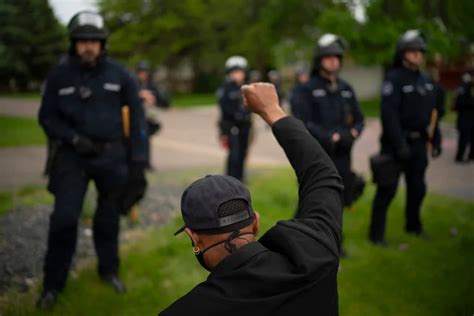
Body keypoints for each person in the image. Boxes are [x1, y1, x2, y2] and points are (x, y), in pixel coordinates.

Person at [160, 83, 343, 315]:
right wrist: (272, 110)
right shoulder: (316, 253)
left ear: (193, 237)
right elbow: (323, 176)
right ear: (255, 222)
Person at [36, 11, 148, 308]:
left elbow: (138, 121)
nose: (88, 46)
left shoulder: (120, 75)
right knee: (64, 219)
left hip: (112, 157)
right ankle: (52, 286)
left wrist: (138, 165)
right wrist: (73, 139)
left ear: (102, 44)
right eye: (82, 40)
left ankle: (109, 271)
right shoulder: (59, 76)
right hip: (72, 158)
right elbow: (46, 117)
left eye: (94, 41)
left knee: (108, 219)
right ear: (73, 43)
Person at [368, 30, 442, 246]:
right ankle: (376, 236)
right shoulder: (393, 79)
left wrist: (435, 138)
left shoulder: (426, 80)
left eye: (420, 51)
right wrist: (399, 144)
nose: (417, 55)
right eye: (412, 51)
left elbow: (433, 114)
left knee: (418, 188)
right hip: (396, 145)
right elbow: (389, 116)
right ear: (402, 54)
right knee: (387, 190)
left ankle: (413, 226)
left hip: (420, 144)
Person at [296, 34, 365, 209]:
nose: (334, 61)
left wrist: (353, 133)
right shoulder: (307, 89)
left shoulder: (346, 88)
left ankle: (334, 235)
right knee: (314, 199)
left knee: (339, 199)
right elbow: (303, 123)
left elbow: (359, 119)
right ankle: (301, 233)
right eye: (328, 57)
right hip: (318, 154)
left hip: (343, 152)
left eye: (337, 57)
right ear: (319, 60)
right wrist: (329, 137)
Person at [217, 56, 252, 181]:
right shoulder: (225, 89)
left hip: (245, 125)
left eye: (240, 72)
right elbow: (224, 107)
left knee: (243, 151)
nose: (237, 75)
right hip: (231, 125)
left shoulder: (247, 88)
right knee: (234, 153)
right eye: (234, 72)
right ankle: (231, 178)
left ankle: (241, 177)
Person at [135, 60, 170, 169]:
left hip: (149, 117)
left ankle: (146, 162)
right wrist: (141, 96)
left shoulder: (151, 86)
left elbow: (162, 101)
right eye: (141, 72)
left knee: (146, 140)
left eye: (145, 72)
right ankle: (140, 161)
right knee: (139, 140)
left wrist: (157, 99)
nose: (143, 74)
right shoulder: (133, 85)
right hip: (137, 117)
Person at [453, 66, 474, 162]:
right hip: (465, 117)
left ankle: (471, 156)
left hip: (471, 117)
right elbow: (459, 103)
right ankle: (459, 156)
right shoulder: (464, 86)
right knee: (464, 138)